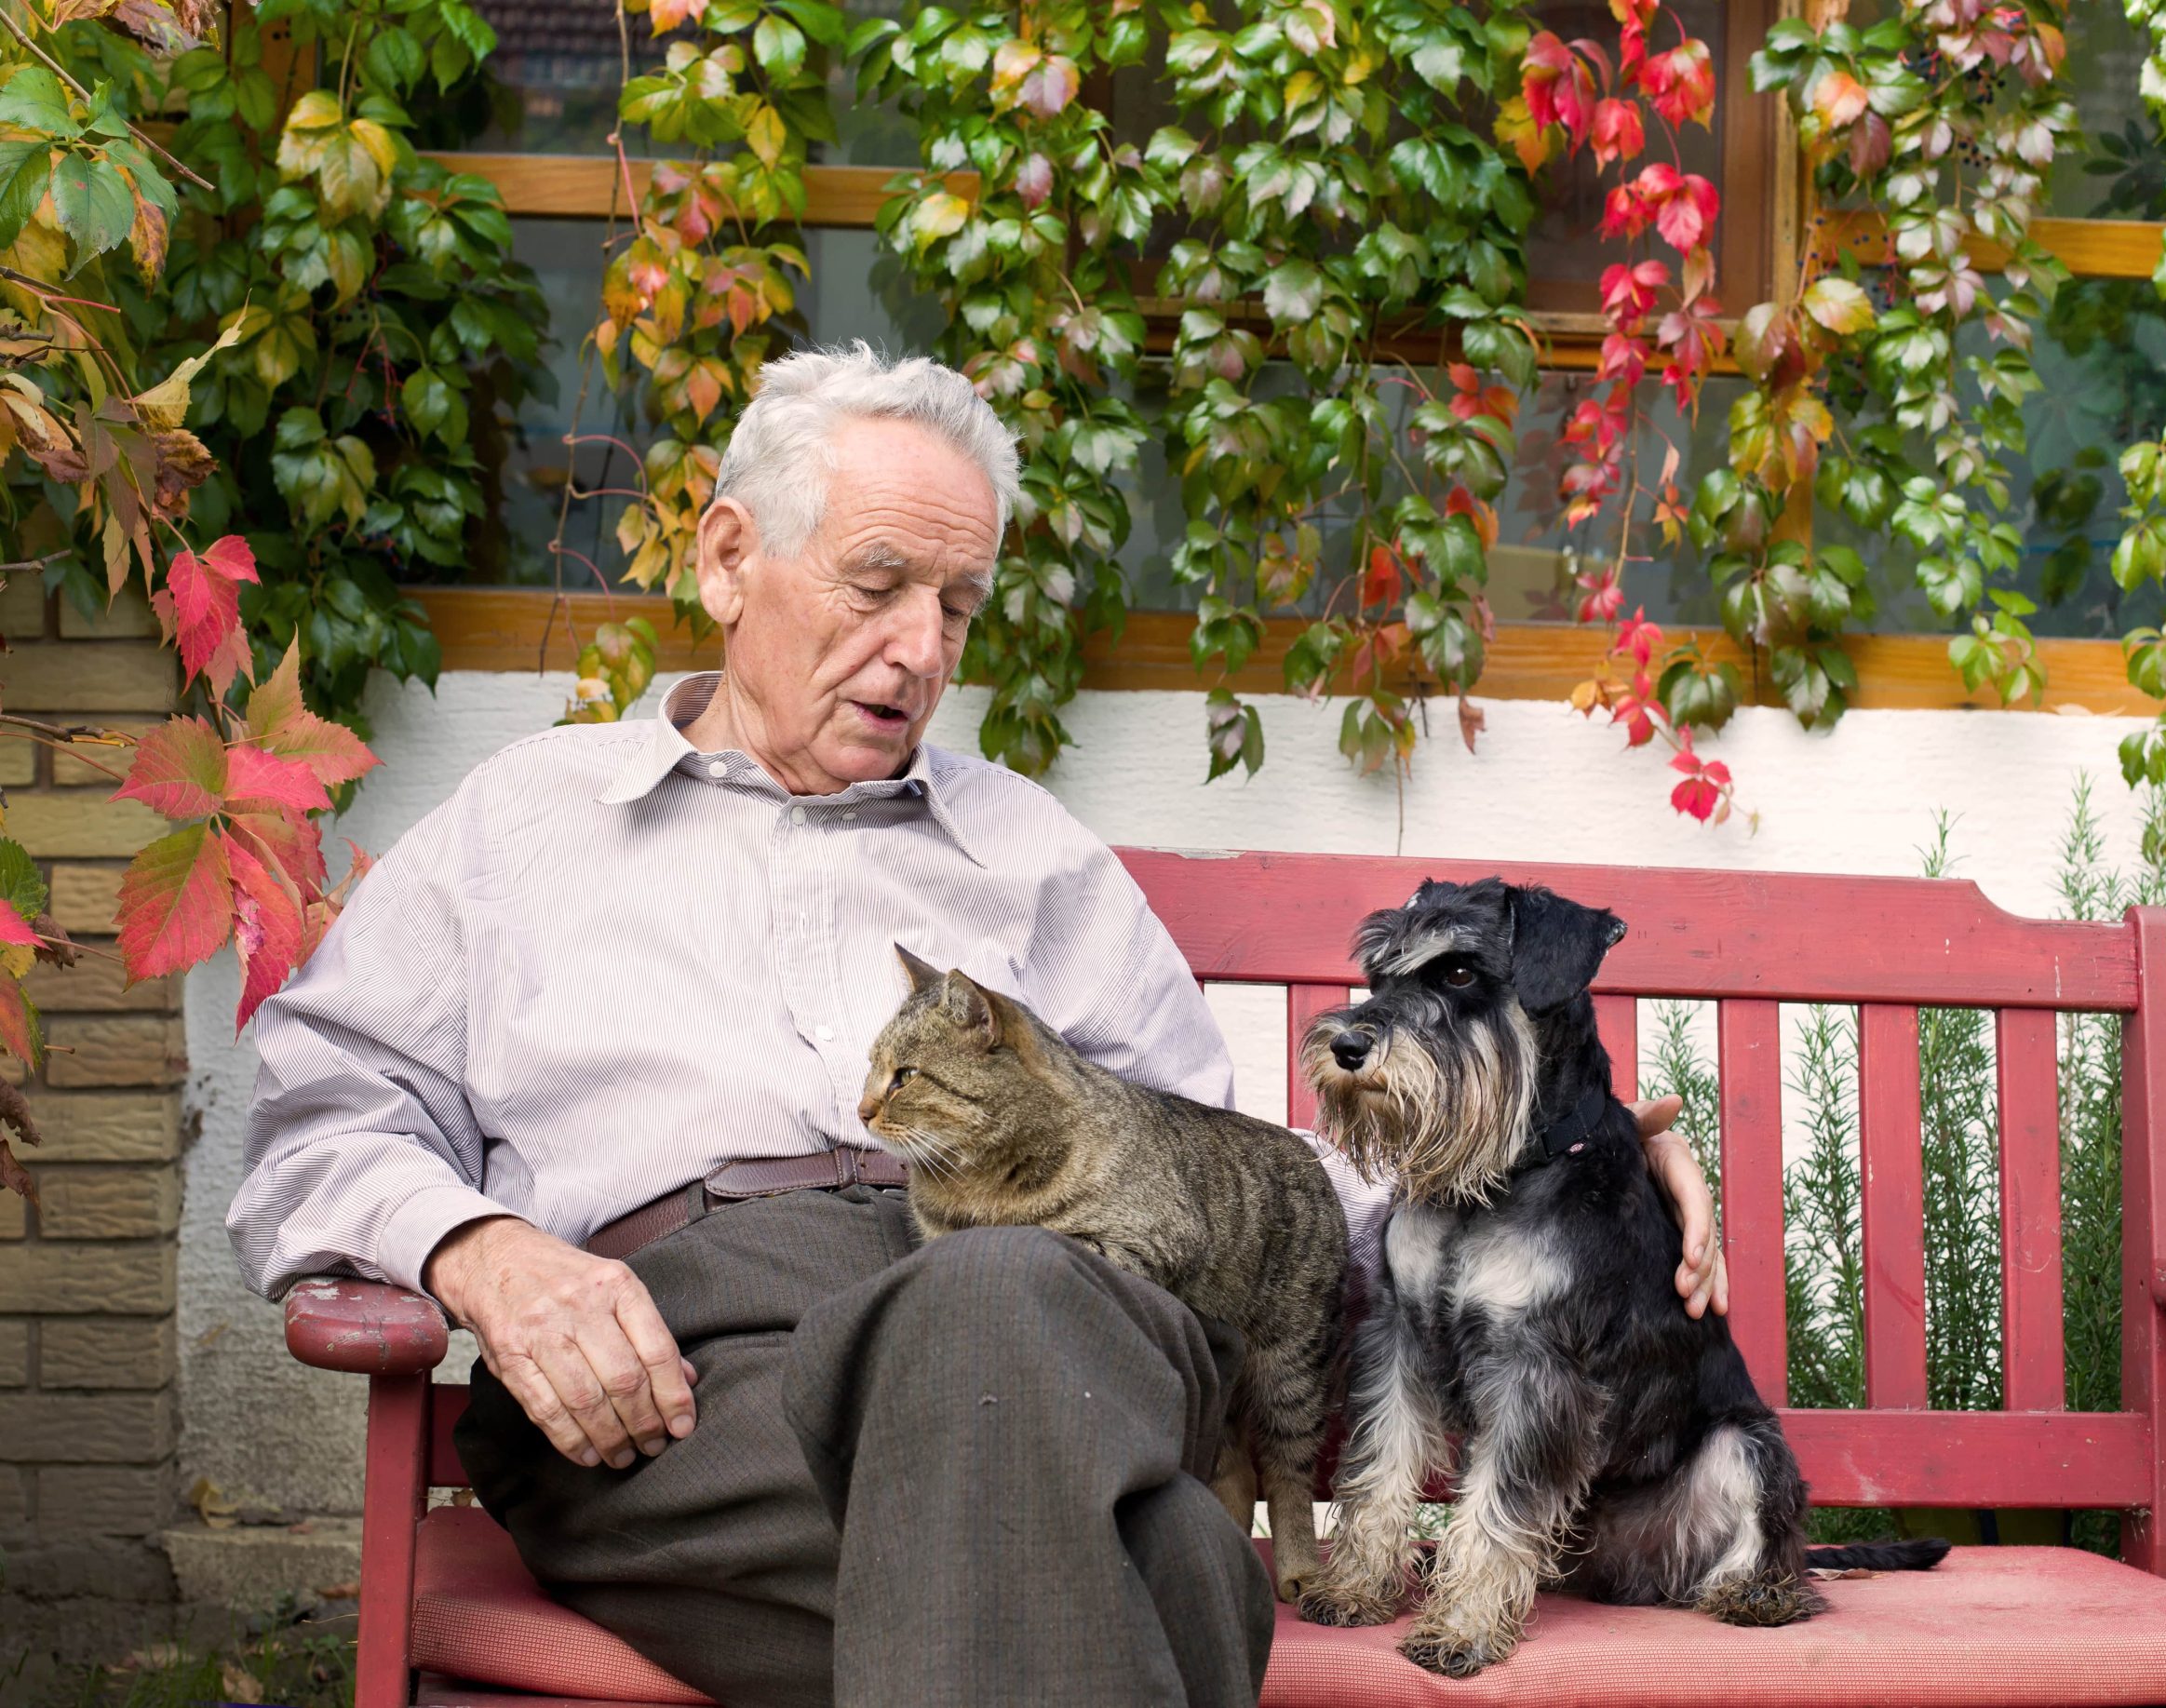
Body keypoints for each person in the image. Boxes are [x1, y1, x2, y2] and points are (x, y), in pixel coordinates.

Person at [230, 343, 1729, 1708]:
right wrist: (479, 1253)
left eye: (955, 607)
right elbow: (318, 1113)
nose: (921, 650)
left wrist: (1563, 1156)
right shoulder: (523, 823)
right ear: (730, 558)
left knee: (1002, 1303)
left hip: (1064, 1328)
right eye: (875, 585)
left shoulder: (1030, 852)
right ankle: (1182, 1596)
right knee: (1164, 1574)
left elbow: (1230, 1182)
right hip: (690, 1384)